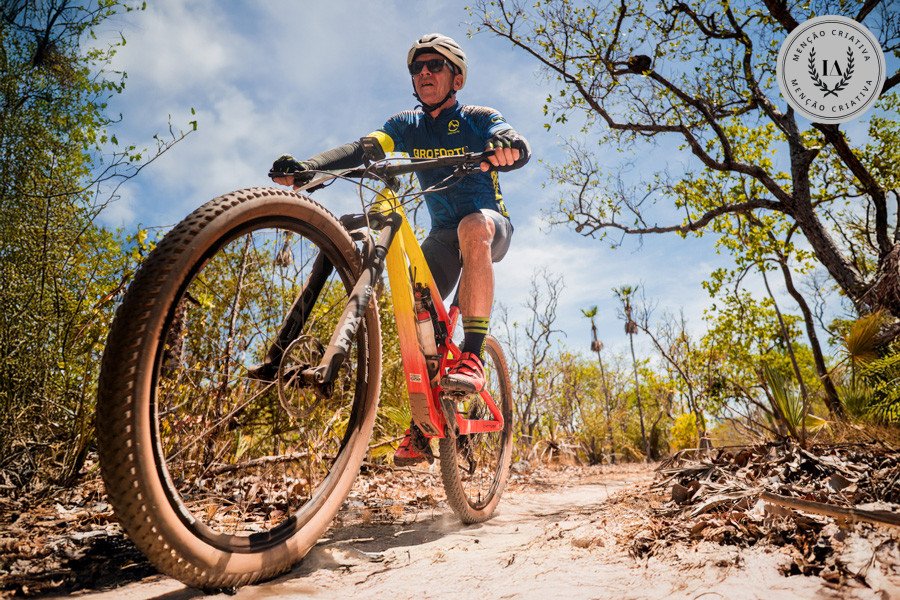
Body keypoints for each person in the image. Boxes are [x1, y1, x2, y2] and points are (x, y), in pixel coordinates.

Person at [270, 33, 530, 466]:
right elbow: (366, 148)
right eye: (417, 67)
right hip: (443, 234)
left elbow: (510, 137)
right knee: (417, 309)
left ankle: (473, 353)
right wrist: (310, 167)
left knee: (471, 225)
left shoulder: (479, 117)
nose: (424, 72)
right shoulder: (406, 124)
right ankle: (424, 421)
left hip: (487, 224)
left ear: (457, 79)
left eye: (435, 65)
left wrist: (507, 147)